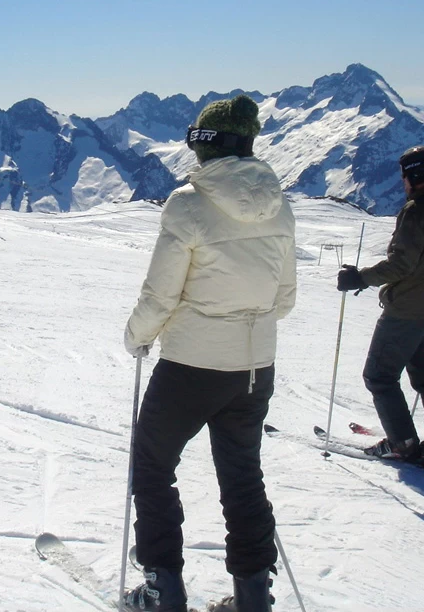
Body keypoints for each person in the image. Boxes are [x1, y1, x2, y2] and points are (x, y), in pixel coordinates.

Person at [123, 95, 296, 612]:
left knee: (153, 467)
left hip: (190, 367)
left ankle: (164, 591)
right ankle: (253, 597)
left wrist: (138, 335)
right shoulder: (280, 203)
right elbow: (285, 299)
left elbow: (161, 293)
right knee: (242, 475)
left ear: (204, 145)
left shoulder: (188, 203)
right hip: (254, 367)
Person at [336, 146, 424, 471]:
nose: (403, 181)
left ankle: (403, 444)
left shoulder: (417, 210)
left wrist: (360, 278)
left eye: (405, 175)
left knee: (379, 376)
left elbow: (402, 264)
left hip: (408, 309)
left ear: (414, 175)